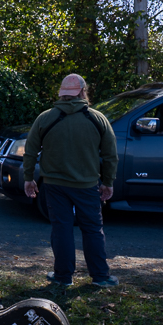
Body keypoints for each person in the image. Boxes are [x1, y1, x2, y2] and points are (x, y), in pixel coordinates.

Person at [22, 74, 119, 288]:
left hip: (54, 185)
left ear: (62, 93)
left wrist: (28, 178)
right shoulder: (97, 119)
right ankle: (100, 277)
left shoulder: (45, 118)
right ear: (83, 92)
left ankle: (63, 277)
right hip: (87, 185)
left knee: (61, 229)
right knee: (92, 229)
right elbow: (110, 155)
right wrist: (108, 182)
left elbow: (30, 152)